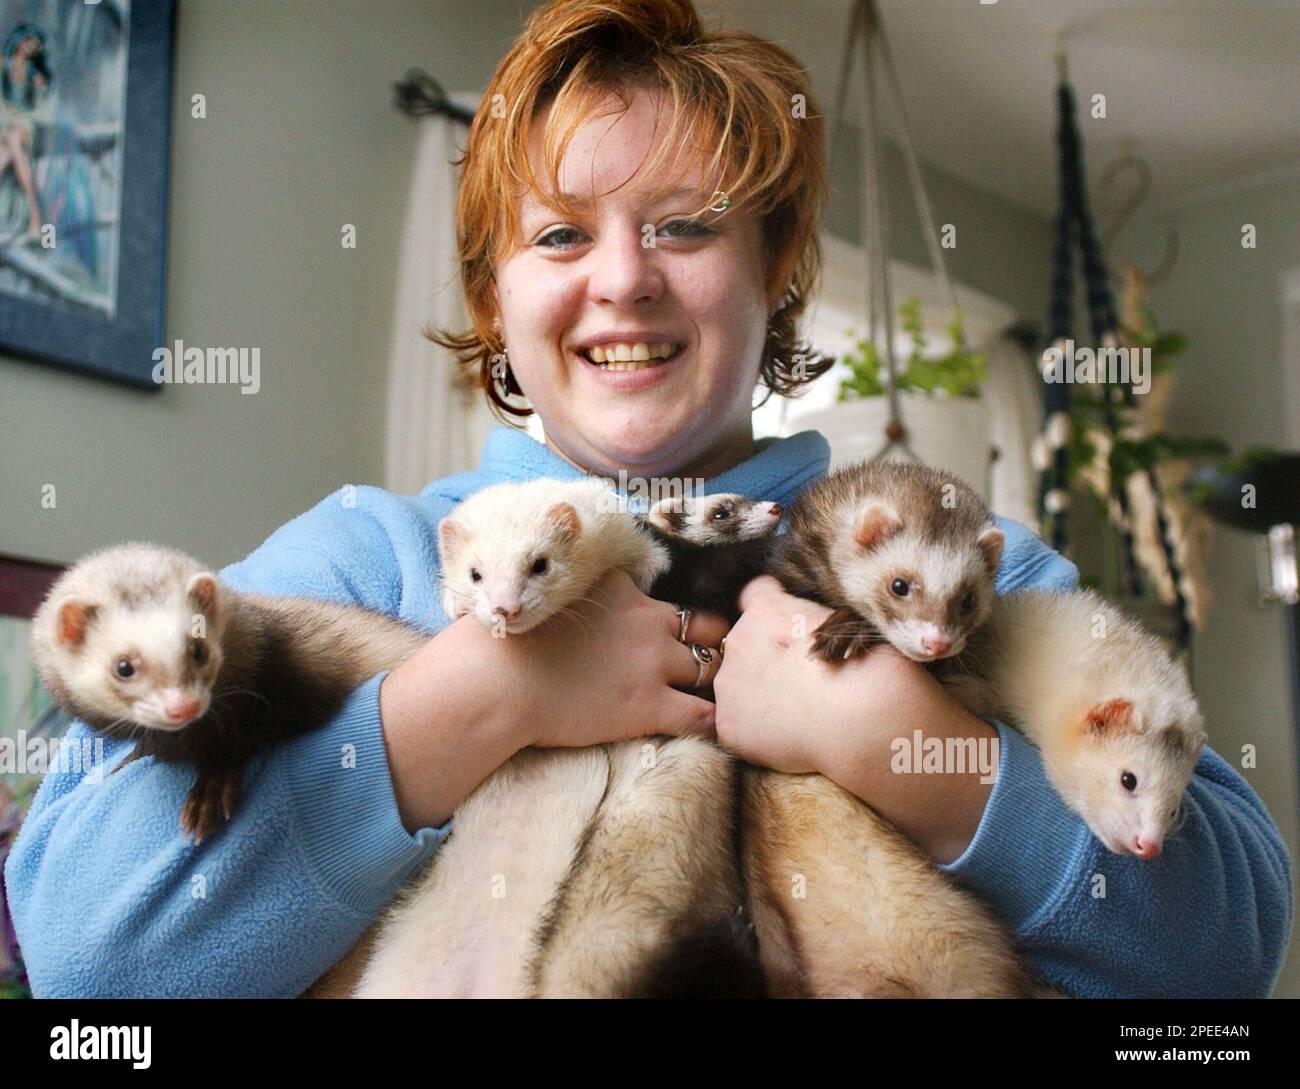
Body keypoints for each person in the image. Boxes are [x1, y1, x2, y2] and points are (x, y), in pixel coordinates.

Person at [6, 0, 1291, 999]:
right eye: (560, 236)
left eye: (686, 226)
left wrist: (907, 745)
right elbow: (89, 964)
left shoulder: (951, 569)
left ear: (774, 269)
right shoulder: (367, 560)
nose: (623, 280)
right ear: (492, 300)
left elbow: (1222, 950)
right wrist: (475, 701)